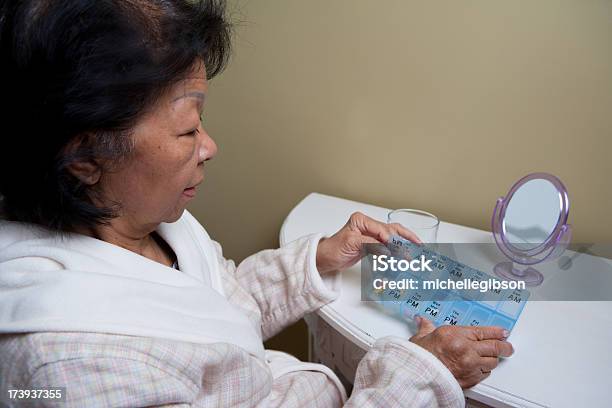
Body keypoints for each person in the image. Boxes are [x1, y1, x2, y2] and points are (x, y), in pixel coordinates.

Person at [0, 1, 513, 407]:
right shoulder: (71, 375)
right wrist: (418, 378)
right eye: (185, 128)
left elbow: (214, 315)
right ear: (84, 158)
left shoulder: (140, 218)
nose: (208, 147)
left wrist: (319, 258)